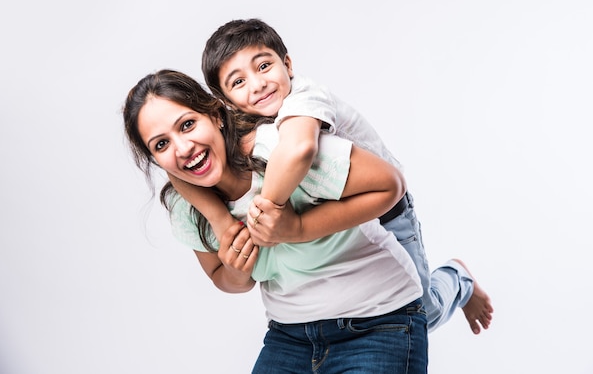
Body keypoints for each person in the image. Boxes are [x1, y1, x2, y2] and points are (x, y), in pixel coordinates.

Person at [189, 17, 493, 334]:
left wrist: (268, 213)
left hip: (387, 210)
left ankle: (458, 279)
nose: (257, 84)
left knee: (421, 311)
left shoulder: (304, 98)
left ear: (287, 64)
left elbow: (299, 148)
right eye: (238, 82)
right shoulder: (243, 124)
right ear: (224, 101)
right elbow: (178, 173)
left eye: (264, 66)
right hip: (339, 219)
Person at [123, 69, 428, 373]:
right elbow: (221, 276)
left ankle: (457, 281)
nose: (183, 148)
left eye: (187, 125)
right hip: (290, 335)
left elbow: (390, 185)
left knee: (434, 305)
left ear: (215, 115)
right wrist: (236, 270)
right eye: (161, 145)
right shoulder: (187, 206)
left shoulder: (280, 150)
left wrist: (297, 228)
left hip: (378, 320)